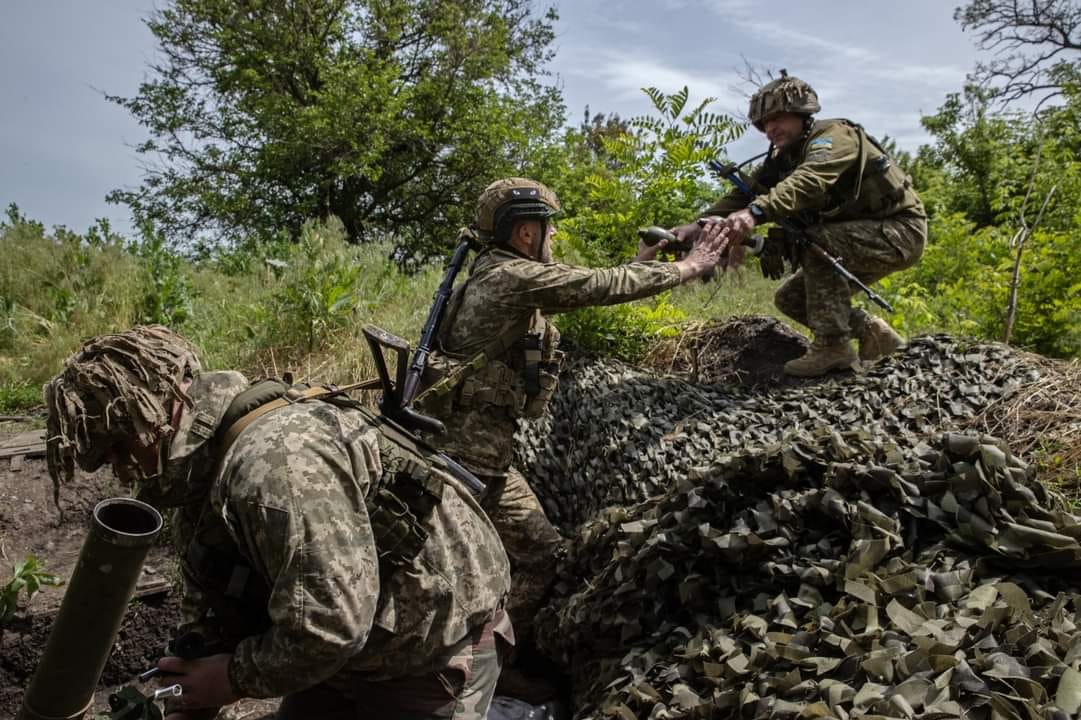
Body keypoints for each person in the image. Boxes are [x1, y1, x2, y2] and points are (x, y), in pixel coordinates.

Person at [43, 325, 513, 720]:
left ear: (158, 413)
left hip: (433, 647)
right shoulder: (204, 464)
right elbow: (215, 588)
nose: (123, 472)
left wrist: (230, 679)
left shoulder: (274, 466)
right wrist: (196, 669)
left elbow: (332, 626)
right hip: (352, 647)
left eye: (123, 449)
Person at [413, 177, 728, 695]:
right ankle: (466, 669)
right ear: (524, 233)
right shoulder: (511, 277)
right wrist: (686, 268)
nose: (553, 236)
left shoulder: (503, 274)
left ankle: (493, 661)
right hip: (466, 461)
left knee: (539, 554)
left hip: (482, 456)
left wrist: (643, 260)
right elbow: (596, 287)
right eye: (548, 227)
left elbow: (579, 283)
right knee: (494, 564)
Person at [672, 71, 926, 377]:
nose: (770, 129)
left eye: (778, 118)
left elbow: (808, 182)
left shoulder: (834, 137)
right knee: (791, 299)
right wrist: (695, 226)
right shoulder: (783, 159)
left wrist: (755, 213)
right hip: (863, 236)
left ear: (802, 114)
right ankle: (871, 331)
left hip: (900, 230)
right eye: (764, 123)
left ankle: (833, 346)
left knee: (819, 241)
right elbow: (742, 194)